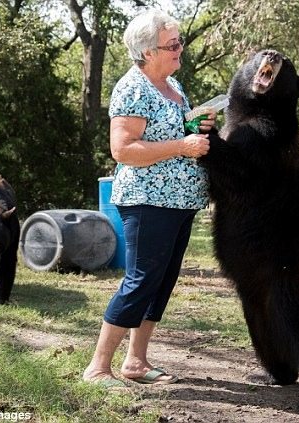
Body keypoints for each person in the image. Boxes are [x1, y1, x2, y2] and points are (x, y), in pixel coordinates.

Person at [83, 9, 215, 387]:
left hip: (180, 202)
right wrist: (182, 145)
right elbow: (123, 150)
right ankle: (97, 367)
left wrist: (196, 126)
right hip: (147, 201)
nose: (179, 49)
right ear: (146, 51)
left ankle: (136, 363)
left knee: (161, 281)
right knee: (140, 280)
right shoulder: (133, 87)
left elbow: (172, 133)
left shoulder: (173, 85)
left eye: (179, 42)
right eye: (171, 45)